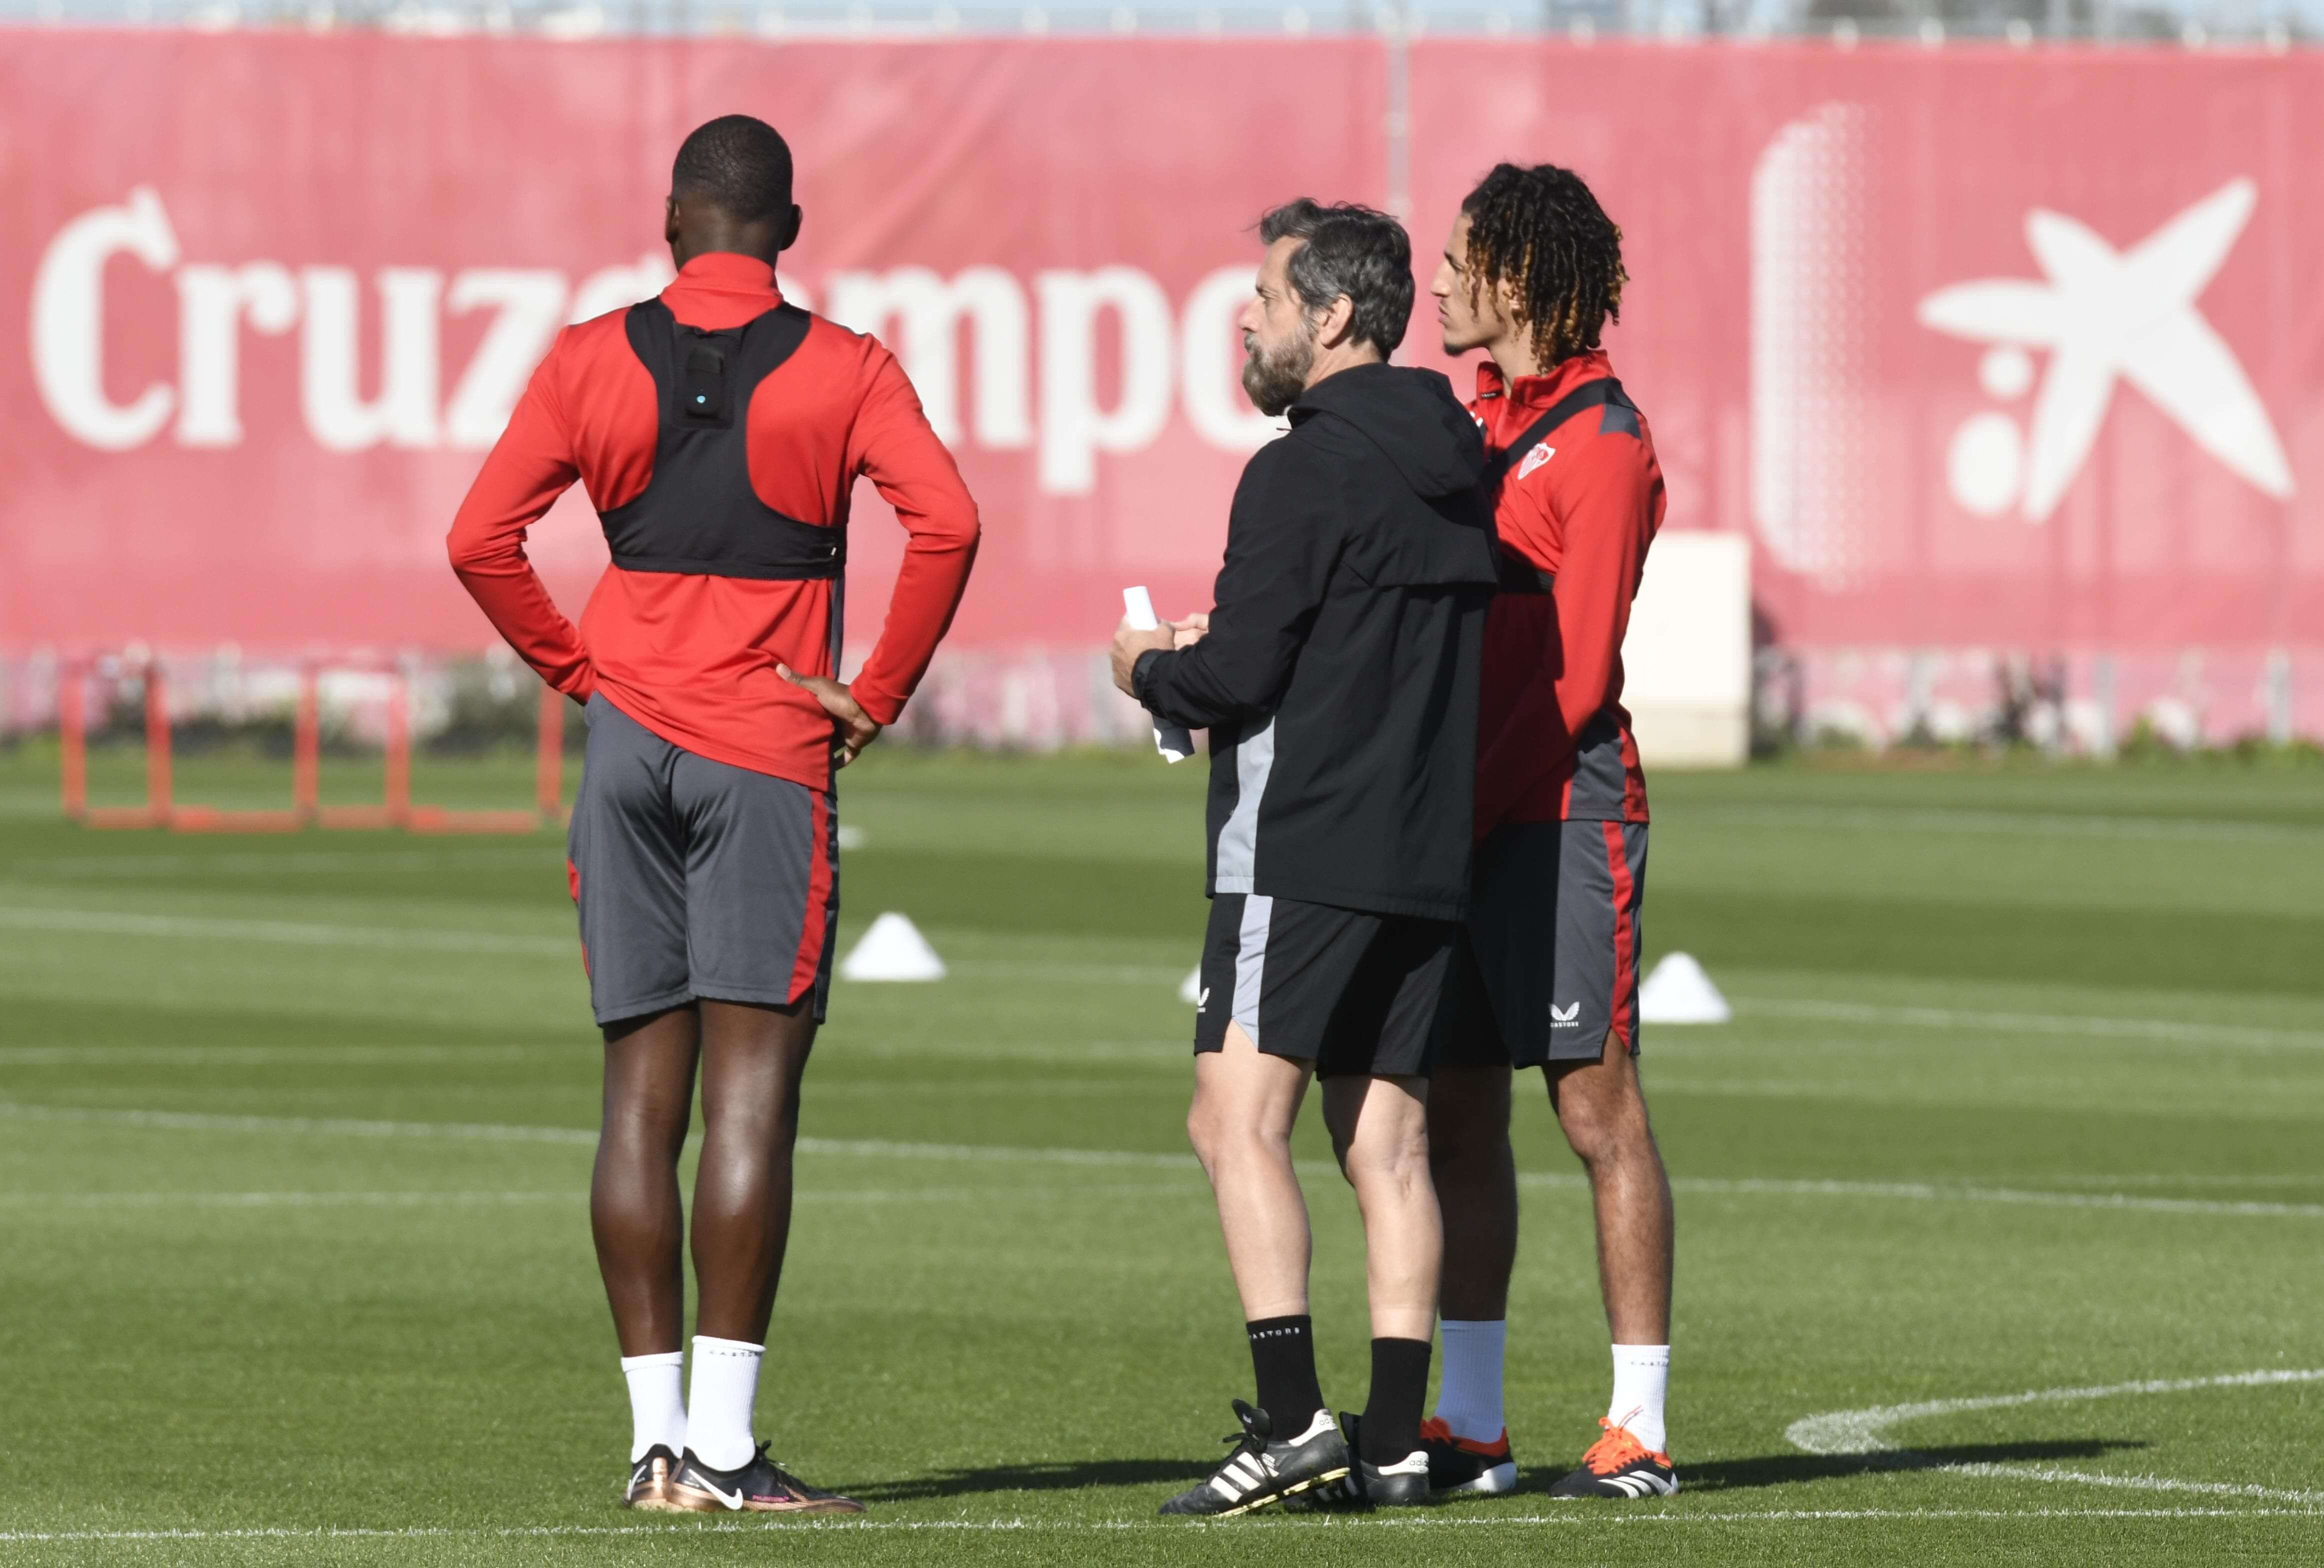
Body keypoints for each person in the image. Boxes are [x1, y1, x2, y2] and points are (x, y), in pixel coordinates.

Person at [446, 114, 980, 1515]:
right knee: (752, 1100)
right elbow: (951, 524)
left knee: (638, 1103)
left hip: (626, 748)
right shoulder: (850, 368)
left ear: (672, 220)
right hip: (766, 753)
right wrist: (876, 693)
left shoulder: (584, 357)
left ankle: (655, 1452)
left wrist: (577, 670)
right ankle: (728, 1454)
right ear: (787, 231)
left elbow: (477, 539)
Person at [1110, 198, 1500, 1517]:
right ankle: (1393, 1444)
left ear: (1332, 317)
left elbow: (1238, 676)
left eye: (1269, 297)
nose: (1248, 316)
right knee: (1389, 1146)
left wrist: (1148, 668)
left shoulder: (1299, 468)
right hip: (1425, 854)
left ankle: (1291, 1427)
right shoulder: (1460, 462)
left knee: (1232, 1122)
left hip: (1303, 845)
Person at [1420, 162, 1676, 1500]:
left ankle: (1640, 1429)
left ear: (1519, 280)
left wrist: (1452, 791)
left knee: (1593, 1106)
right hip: (1464, 811)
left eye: (1461, 258)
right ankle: (1472, 1426)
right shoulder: (1470, 425)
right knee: (1461, 1109)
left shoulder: (1607, 443)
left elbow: (1577, 679)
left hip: (1564, 811)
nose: (1439, 280)